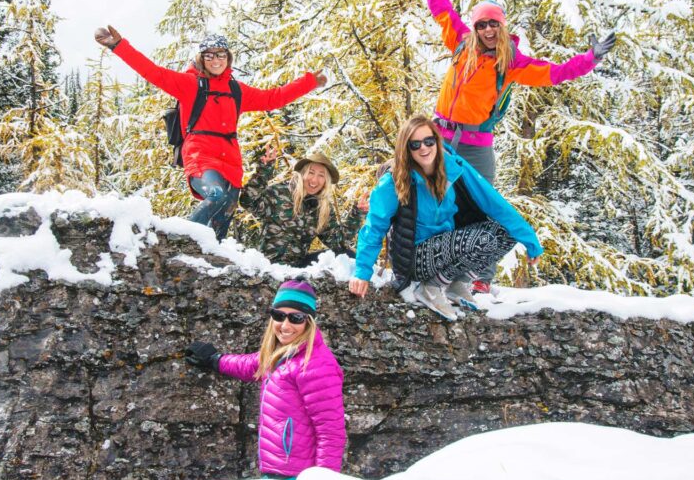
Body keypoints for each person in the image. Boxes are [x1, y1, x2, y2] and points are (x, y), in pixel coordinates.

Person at [411, 0, 614, 293]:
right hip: (437, 139)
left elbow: (555, 73)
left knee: (484, 207)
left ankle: (481, 280)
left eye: (494, 24)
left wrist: (590, 59)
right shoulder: (460, 43)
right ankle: (424, 267)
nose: (488, 30)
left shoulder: (512, 63)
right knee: (427, 199)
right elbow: (439, 6)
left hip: (475, 144)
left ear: (502, 27)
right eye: (482, 25)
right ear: (475, 28)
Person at [95, 26, 326, 240]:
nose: (216, 60)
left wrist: (309, 83)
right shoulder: (190, 85)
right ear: (201, 59)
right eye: (210, 55)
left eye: (221, 55)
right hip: (201, 156)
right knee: (216, 195)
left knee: (220, 226)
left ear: (228, 58)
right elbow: (152, 72)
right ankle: (176, 241)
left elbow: (272, 98)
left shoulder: (236, 90)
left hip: (232, 163)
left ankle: (208, 267)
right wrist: (118, 45)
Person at [348, 116, 543, 321]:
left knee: (507, 233)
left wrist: (529, 238)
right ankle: (431, 287)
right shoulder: (394, 180)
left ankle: (457, 284)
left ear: (437, 140)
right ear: (406, 149)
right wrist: (362, 272)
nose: (423, 148)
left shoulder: (452, 166)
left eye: (428, 141)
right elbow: (374, 227)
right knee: (483, 239)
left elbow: (493, 202)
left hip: (446, 248)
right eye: (415, 145)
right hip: (414, 257)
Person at [185, 278, 346, 480]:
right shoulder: (282, 354)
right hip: (275, 472)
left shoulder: (316, 364)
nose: (285, 325)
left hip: (298, 479)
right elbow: (252, 365)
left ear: (309, 322)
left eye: (296, 318)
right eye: (278, 316)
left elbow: (330, 432)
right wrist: (215, 360)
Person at [240, 146, 366, 266]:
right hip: (269, 265)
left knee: (348, 255)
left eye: (321, 175)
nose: (314, 180)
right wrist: (264, 170)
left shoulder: (322, 208)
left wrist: (357, 213)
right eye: (311, 173)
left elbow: (338, 243)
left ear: (326, 181)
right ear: (302, 173)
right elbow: (248, 201)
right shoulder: (279, 193)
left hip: (298, 266)